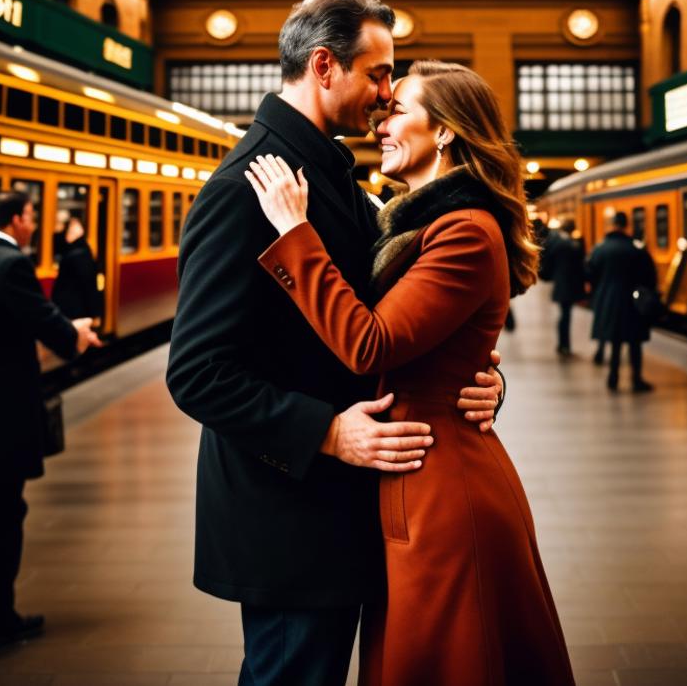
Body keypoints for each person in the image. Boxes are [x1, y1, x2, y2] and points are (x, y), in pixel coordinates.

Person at [166, 0, 502, 686]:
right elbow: (196, 371)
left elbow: (397, 319)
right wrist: (327, 432)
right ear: (324, 66)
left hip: (342, 511)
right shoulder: (245, 188)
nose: (387, 93)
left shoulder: (336, 180)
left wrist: (472, 371)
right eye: (379, 74)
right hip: (291, 518)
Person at [246, 61, 576, 686]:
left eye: (397, 110)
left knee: (448, 659)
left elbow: (370, 344)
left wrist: (295, 232)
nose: (381, 124)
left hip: (444, 491)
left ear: (446, 131)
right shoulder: (413, 224)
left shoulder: (466, 231)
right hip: (417, 476)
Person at [0, 191, 102, 650]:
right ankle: (2, 616)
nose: (35, 224)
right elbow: (39, 317)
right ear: (17, 219)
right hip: (3, 417)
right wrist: (73, 335)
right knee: (5, 512)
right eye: (32, 215)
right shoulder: (10, 263)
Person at [587, 210, 658, 393]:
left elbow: (589, 274)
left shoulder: (600, 248)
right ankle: (636, 380)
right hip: (632, 301)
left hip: (608, 300)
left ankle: (613, 378)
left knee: (615, 341)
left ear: (612, 225)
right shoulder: (636, 249)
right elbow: (650, 277)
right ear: (626, 226)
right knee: (635, 342)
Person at [539, 217, 585, 356]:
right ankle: (564, 344)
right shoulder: (570, 244)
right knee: (566, 314)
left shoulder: (556, 242)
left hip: (560, 282)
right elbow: (579, 265)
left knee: (565, 314)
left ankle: (563, 344)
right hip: (567, 284)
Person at [51, 216, 101, 324]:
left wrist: (94, 313)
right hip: (72, 309)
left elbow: (89, 286)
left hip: (74, 310)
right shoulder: (78, 251)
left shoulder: (78, 254)